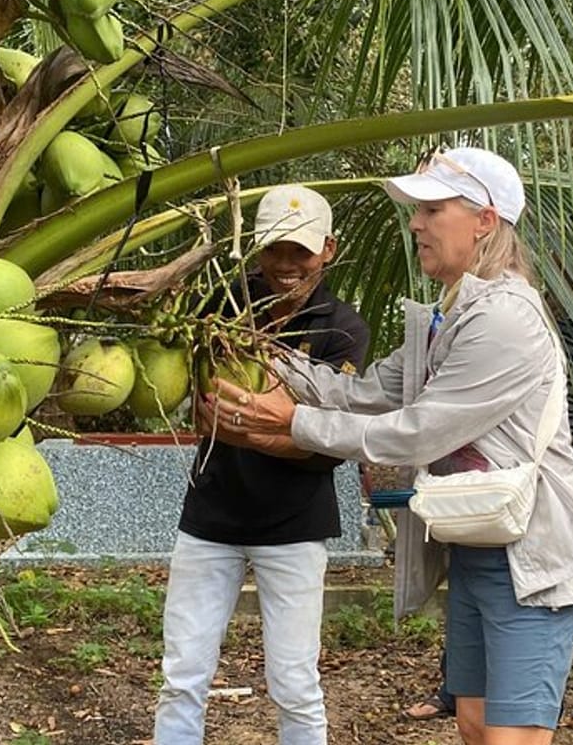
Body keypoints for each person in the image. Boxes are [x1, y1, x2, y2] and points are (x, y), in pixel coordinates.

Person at [202, 147, 573, 745]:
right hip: (480, 546)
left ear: (485, 220)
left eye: (431, 209)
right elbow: (367, 392)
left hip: (533, 562)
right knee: (473, 722)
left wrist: (291, 424)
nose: (415, 223)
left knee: (512, 738)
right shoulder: (451, 313)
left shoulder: (506, 319)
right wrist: (272, 360)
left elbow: (418, 430)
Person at [153, 184, 370, 745]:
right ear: (255, 248)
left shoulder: (341, 329)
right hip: (210, 517)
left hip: (293, 526)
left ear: (329, 249)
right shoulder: (220, 305)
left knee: (295, 682)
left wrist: (250, 428)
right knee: (182, 675)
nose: (286, 265)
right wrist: (265, 421)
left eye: (300, 251)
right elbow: (192, 400)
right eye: (274, 249)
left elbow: (328, 441)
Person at [404, 304, 573, 722]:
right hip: (483, 498)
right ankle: (454, 689)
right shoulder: (487, 316)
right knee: (475, 673)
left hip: (545, 500)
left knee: (521, 708)